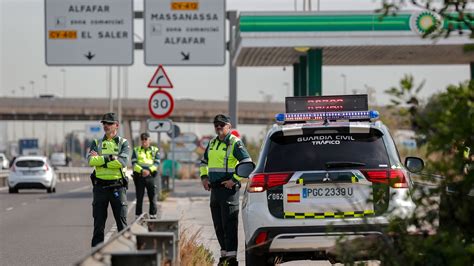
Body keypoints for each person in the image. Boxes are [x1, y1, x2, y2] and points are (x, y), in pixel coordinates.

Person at [199, 114, 252, 266]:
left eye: (222, 125)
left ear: (229, 127)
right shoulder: (212, 143)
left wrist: (234, 179)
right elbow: (204, 162)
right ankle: (224, 256)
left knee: (229, 225)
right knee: (218, 225)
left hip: (229, 190)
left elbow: (247, 163)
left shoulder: (235, 143)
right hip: (215, 191)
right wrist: (204, 178)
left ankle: (231, 259)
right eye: (216, 125)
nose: (219, 127)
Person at [87, 113, 130, 247]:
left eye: (109, 123)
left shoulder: (123, 142)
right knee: (98, 226)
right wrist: (109, 158)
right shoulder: (96, 142)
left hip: (117, 186)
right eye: (104, 123)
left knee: (122, 225)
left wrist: (100, 160)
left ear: (116, 125)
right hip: (100, 188)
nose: (106, 126)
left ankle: (125, 257)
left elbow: (122, 162)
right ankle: (96, 257)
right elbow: (90, 161)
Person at [131, 132, 160, 219]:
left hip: (151, 176)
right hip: (139, 176)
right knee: (139, 197)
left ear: (149, 140)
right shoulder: (136, 150)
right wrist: (141, 170)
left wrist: (149, 170)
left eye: (146, 139)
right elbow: (133, 163)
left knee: (152, 197)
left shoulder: (155, 150)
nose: (144, 141)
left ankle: (153, 216)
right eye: (142, 139)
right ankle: (138, 217)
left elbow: (157, 163)